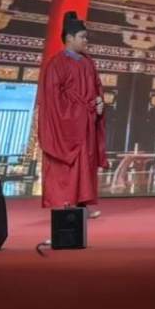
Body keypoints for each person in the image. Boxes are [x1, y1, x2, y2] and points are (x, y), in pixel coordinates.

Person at [38, 12, 107, 216]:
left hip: (86, 123)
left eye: (86, 37)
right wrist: (79, 111)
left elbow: (96, 88)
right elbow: (52, 99)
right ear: (69, 38)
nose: (86, 41)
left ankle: (82, 205)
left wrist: (99, 102)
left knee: (85, 165)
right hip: (69, 126)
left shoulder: (88, 62)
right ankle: (67, 206)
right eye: (82, 37)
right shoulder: (56, 64)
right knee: (68, 166)